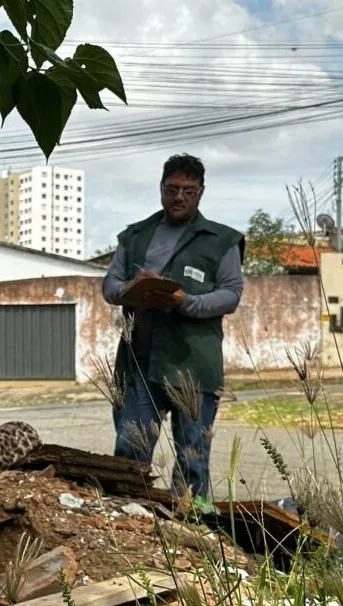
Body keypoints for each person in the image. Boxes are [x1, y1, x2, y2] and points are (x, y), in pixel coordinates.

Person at [102, 154, 245, 503]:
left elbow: (231, 294)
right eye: (172, 189)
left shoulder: (221, 240)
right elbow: (110, 287)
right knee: (129, 453)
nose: (179, 197)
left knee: (192, 459)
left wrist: (185, 301)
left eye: (188, 190)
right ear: (161, 188)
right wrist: (133, 288)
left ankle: (191, 525)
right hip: (139, 364)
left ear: (201, 192)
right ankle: (129, 519)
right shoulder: (134, 235)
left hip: (193, 365)